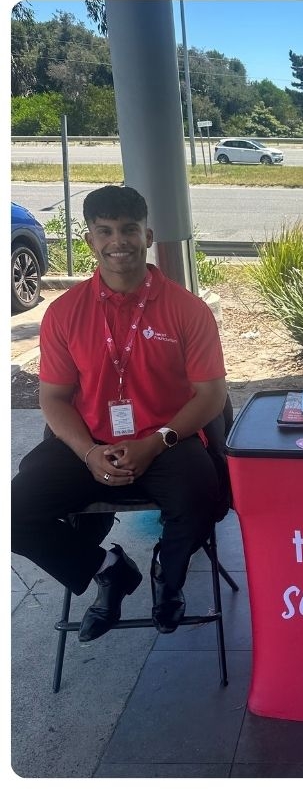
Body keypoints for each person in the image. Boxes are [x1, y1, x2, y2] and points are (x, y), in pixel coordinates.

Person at [11, 185, 228, 640]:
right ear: (89, 240)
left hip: (168, 438)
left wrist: (154, 443)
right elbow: (53, 398)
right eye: (105, 231)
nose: (118, 241)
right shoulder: (65, 313)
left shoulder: (187, 310)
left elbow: (209, 395)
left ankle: (168, 580)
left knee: (206, 497)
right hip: (90, 443)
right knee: (14, 513)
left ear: (147, 235)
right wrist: (89, 452)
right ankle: (109, 571)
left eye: (129, 230)